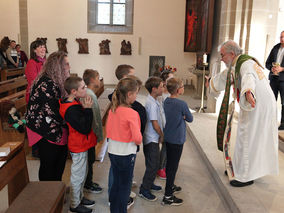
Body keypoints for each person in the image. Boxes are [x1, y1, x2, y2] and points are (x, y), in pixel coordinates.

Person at [208, 40, 279, 187]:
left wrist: (248, 92)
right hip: (259, 102)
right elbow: (224, 76)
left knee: (246, 136)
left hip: (257, 103)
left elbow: (249, 78)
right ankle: (240, 168)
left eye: (222, 55)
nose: (221, 58)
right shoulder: (237, 63)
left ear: (232, 54)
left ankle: (244, 175)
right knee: (247, 135)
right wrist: (210, 83)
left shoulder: (245, 64)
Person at [25, 51, 70, 181]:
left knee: (59, 163)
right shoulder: (47, 83)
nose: (69, 67)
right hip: (44, 128)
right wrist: (71, 120)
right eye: (66, 64)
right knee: (49, 164)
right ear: (57, 66)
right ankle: (47, 194)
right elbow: (51, 110)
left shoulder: (55, 80)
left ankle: (56, 190)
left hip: (54, 125)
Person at [107, 64, 146, 208]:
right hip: (126, 153)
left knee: (117, 183)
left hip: (113, 151)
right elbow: (137, 138)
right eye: (136, 93)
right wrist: (139, 140)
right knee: (125, 187)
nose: (137, 96)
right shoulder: (132, 113)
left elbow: (109, 131)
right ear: (129, 94)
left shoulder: (113, 109)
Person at [59, 76, 96, 213]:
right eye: (83, 87)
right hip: (78, 146)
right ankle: (74, 204)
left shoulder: (73, 102)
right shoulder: (71, 110)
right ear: (74, 91)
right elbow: (85, 128)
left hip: (82, 144)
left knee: (83, 173)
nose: (85, 89)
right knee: (78, 176)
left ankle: (79, 198)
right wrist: (87, 109)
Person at [161, 77, 193, 206]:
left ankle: (171, 185)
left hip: (168, 137)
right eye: (182, 87)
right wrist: (183, 116)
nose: (183, 89)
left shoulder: (166, 101)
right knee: (173, 167)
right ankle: (168, 196)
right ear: (178, 90)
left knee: (169, 163)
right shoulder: (182, 104)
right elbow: (190, 118)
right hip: (177, 139)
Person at [139, 76, 164, 201]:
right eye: (161, 86)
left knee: (152, 162)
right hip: (151, 138)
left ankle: (150, 183)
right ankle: (144, 189)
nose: (163, 88)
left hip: (152, 137)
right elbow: (155, 124)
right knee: (153, 164)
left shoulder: (154, 100)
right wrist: (162, 135)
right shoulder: (152, 104)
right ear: (154, 89)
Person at [82, 69, 103, 194]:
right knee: (89, 160)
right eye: (97, 77)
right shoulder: (89, 95)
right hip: (89, 135)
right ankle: (87, 184)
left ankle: (89, 181)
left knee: (90, 159)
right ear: (91, 80)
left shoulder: (89, 93)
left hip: (89, 135)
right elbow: (94, 119)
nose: (99, 80)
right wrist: (98, 135)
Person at [25, 39, 47, 158]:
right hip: (35, 97)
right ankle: (36, 149)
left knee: (44, 122)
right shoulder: (31, 63)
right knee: (36, 123)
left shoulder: (46, 62)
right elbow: (33, 81)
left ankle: (43, 146)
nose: (43, 49)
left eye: (44, 46)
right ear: (34, 50)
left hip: (45, 96)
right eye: (40, 47)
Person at [157, 70, 174, 180]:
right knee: (165, 147)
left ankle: (164, 165)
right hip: (163, 124)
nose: (173, 81)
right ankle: (161, 168)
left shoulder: (170, 93)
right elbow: (161, 112)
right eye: (170, 79)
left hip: (170, 123)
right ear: (164, 82)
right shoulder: (161, 95)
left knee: (168, 147)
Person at [265, 31, 284, 130]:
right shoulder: (275, 48)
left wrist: (282, 69)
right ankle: (269, 122)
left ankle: (283, 125)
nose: (282, 39)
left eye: (283, 37)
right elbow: (267, 63)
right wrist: (271, 68)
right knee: (271, 101)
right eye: (281, 37)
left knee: (283, 103)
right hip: (273, 79)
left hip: (283, 80)